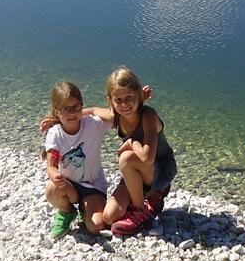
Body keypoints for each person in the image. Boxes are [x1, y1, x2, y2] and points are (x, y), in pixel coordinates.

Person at [99, 66, 177, 237]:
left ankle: (141, 211)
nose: (124, 104)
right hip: (138, 172)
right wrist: (56, 119)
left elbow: (147, 158)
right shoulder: (116, 117)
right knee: (109, 216)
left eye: (129, 98)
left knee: (126, 159)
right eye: (118, 100)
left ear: (139, 96)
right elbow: (90, 112)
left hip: (160, 169)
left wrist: (131, 142)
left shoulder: (148, 115)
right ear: (110, 101)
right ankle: (150, 196)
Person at [42, 81, 110, 238]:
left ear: (82, 106)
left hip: (93, 186)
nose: (72, 113)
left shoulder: (93, 124)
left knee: (96, 227)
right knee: (52, 190)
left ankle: (85, 210)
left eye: (76, 107)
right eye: (66, 109)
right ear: (56, 111)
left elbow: (116, 115)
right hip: (70, 186)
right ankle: (67, 211)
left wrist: (90, 111)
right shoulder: (55, 133)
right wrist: (55, 176)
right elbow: (51, 165)